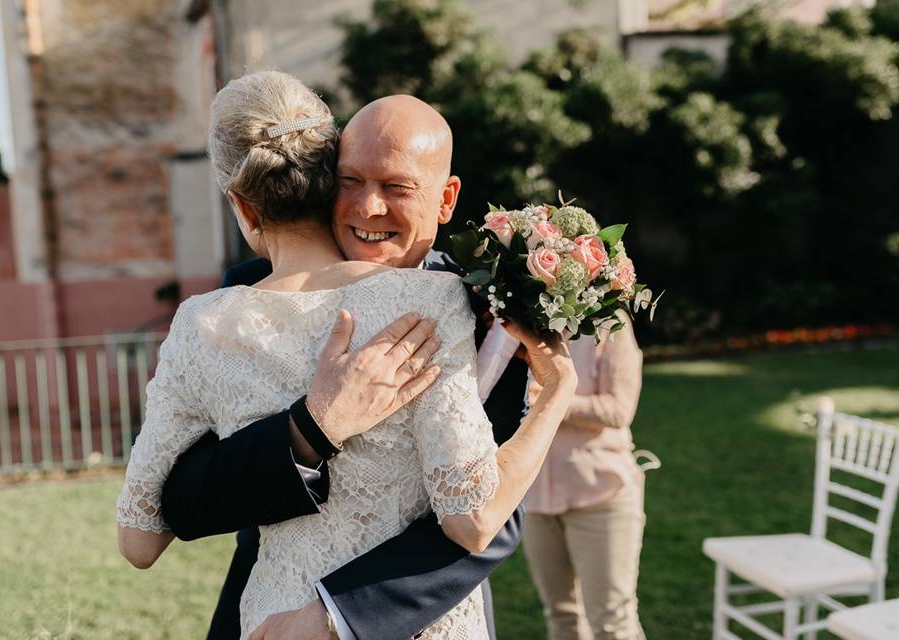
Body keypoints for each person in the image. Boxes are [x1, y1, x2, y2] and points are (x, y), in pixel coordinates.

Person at [115, 71, 578, 639]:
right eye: (350, 180)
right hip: (265, 611)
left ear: (445, 198)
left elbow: (490, 520)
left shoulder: (487, 312)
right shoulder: (233, 303)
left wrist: (339, 614)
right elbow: (182, 498)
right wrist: (309, 428)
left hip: (409, 613)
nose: (368, 207)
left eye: (398, 187)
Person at [522, 308, 647, 640]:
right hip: (533, 496)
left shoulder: (610, 320)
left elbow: (619, 410)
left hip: (600, 491)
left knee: (611, 623)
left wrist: (551, 400)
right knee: (561, 616)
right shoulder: (522, 317)